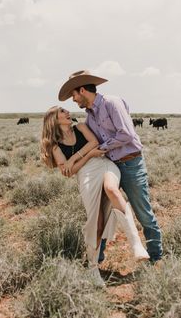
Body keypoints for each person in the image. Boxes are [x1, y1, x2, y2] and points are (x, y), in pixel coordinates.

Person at [58, 70, 163, 264]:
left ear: (82, 90)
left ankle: (156, 258)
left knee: (143, 213)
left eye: (73, 95)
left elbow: (126, 135)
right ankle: (97, 257)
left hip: (131, 164)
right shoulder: (89, 118)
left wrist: (102, 148)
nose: (73, 100)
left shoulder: (111, 103)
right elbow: (91, 143)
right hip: (109, 166)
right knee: (102, 212)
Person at [41, 106, 149, 287]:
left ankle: (136, 243)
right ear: (54, 119)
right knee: (96, 223)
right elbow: (70, 171)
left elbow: (94, 144)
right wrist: (86, 155)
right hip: (86, 175)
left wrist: (76, 156)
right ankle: (92, 268)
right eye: (63, 112)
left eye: (67, 111)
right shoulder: (55, 146)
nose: (68, 113)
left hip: (105, 164)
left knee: (112, 190)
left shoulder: (81, 127)